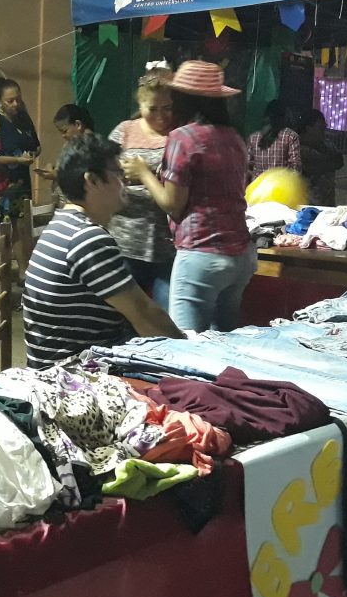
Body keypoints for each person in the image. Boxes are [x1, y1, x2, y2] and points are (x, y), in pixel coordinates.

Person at [23, 133, 184, 367]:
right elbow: (145, 316)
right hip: (74, 373)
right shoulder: (87, 239)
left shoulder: (62, 224)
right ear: (92, 181)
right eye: (118, 173)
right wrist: (190, 352)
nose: (126, 181)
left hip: (57, 364)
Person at [123, 61, 255, 332]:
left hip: (202, 254)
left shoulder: (182, 138)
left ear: (184, 99)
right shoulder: (234, 137)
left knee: (188, 344)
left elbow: (172, 204)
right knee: (225, 342)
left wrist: (144, 174)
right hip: (241, 256)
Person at [109, 68, 175, 306]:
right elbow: (103, 171)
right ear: (140, 104)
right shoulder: (125, 131)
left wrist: (144, 174)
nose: (161, 116)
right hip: (124, 244)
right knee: (124, 315)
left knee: (168, 317)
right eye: (152, 109)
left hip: (168, 248)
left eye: (167, 108)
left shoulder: (181, 135)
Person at [0, 77, 40, 218]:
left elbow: (36, 145)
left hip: (21, 183)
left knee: (21, 226)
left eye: (18, 99)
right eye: (10, 101)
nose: (15, 104)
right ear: (0, 101)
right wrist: (17, 160)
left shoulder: (24, 119)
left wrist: (31, 155)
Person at [35, 103, 95, 182]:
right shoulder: (75, 143)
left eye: (65, 131)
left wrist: (59, 176)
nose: (63, 136)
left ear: (78, 125)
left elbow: (88, 178)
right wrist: (54, 169)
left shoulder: (93, 147)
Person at [246, 99, 301, 181]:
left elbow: (246, 167)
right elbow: (295, 169)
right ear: (284, 116)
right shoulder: (291, 136)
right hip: (281, 187)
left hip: (258, 187)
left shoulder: (253, 138)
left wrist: (256, 177)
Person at [296, 108, 343, 206]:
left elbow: (339, 162)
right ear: (308, 128)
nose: (324, 130)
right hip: (306, 205)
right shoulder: (298, 148)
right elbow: (318, 164)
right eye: (320, 128)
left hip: (327, 204)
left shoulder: (326, 144)